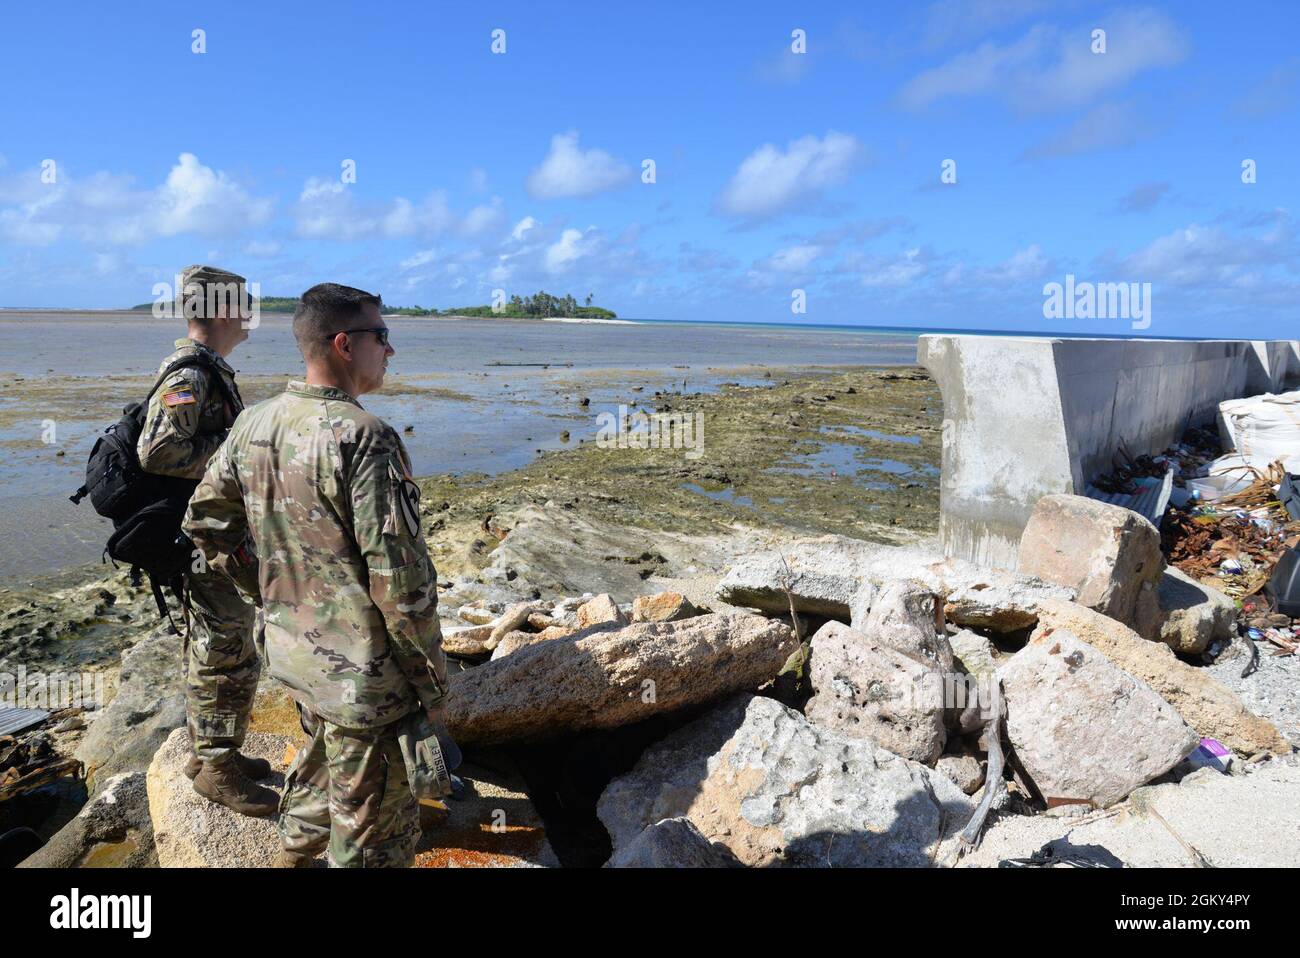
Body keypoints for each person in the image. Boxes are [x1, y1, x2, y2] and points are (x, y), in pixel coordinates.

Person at [183, 283, 448, 867]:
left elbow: (204, 522)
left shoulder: (255, 422)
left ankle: (294, 856)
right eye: (383, 337)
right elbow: (400, 582)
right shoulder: (364, 438)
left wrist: (269, 592)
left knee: (325, 762)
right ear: (344, 344)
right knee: (374, 833)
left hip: (294, 654)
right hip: (364, 673)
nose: (390, 351)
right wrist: (431, 677)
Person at [137, 264, 276, 817]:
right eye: (243, 305)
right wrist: (235, 454)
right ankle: (216, 767)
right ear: (220, 311)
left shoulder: (208, 370)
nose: (249, 316)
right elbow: (157, 451)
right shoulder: (190, 373)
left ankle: (213, 754)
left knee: (221, 648)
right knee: (224, 655)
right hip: (205, 542)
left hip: (213, 537)